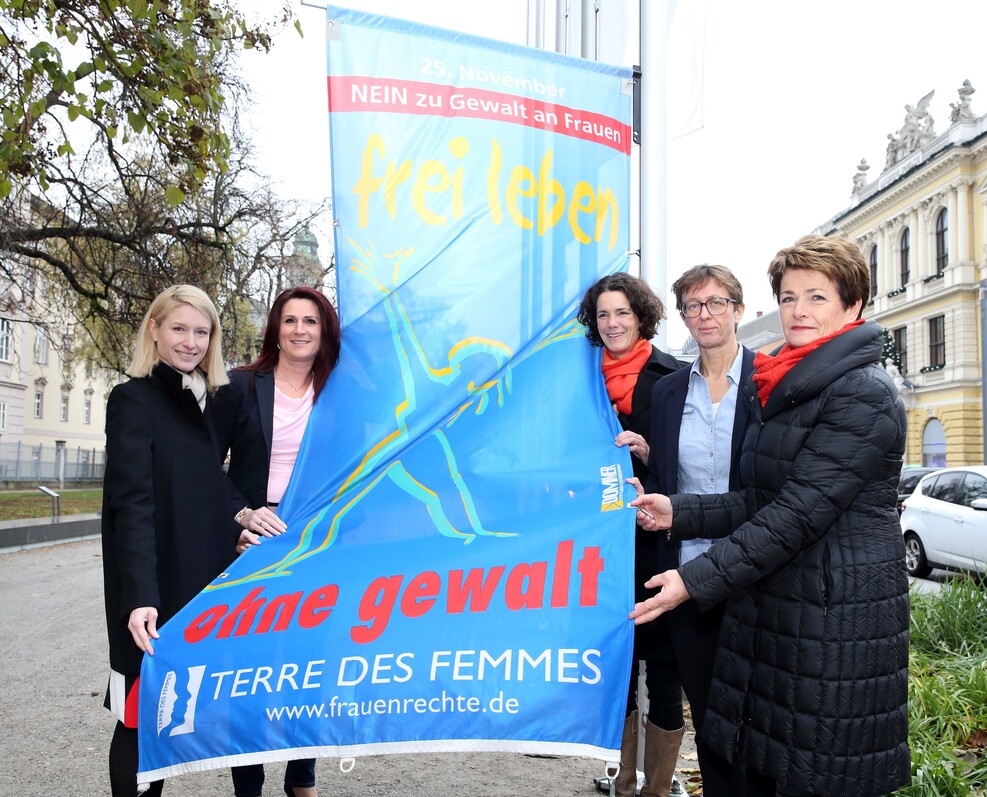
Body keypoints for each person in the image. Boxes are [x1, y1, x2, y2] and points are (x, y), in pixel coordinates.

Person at [630, 235, 910, 797]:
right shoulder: (793, 384)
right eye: (788, 297)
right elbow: (759, 498)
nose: (799, 311)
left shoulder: (862, 392)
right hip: (783, 609)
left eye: (817, 297)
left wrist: (693, 580)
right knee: (758, 766)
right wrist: (677, 512)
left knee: (816, 775)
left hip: (834, 622)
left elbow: (796, 514)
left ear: (853, 305)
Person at [101, 285, 254, 796]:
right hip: (156, 592)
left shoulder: (204, 400)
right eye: (179, 329)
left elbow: (206, 484)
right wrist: (141, 596)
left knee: (176, 716)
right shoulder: (133, 399)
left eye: (202, 331)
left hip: (200, 589)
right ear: (155, 330)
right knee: (138, 722)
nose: (191, 342)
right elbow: (133, 505)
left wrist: (243, 517)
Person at [213, 287, 342, 797]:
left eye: (310, 321)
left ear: (324, 330)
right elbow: (204, 466)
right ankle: (248, 784)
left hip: (315, 541)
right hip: (253, 539)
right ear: (276, 328)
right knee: (249, 669)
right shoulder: (240, 386)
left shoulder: (340, 391)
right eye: (289, 320)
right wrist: (240, 517)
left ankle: (301, 776)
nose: (300, 330)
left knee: (308, 663)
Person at [645, 265, 755, 797]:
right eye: (692, 306)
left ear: (738, 308)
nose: (704, 314)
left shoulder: (771, 381)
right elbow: (666, 476)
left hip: (756, 573)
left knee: (757, 719)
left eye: (715, 302)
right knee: (708, 716)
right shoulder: (667, 393)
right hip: (686, 575)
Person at [576, 272, 685, 797]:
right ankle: (621, 782)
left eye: (622, 312)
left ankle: (658, 788)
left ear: (641, 316)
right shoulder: (579, 378)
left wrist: (649, 455)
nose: (612, 322)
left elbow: (696, 467)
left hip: (657, 545)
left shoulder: (674, 376)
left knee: (662, 671)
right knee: (615, 672)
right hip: (597, 550)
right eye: (603, 314)